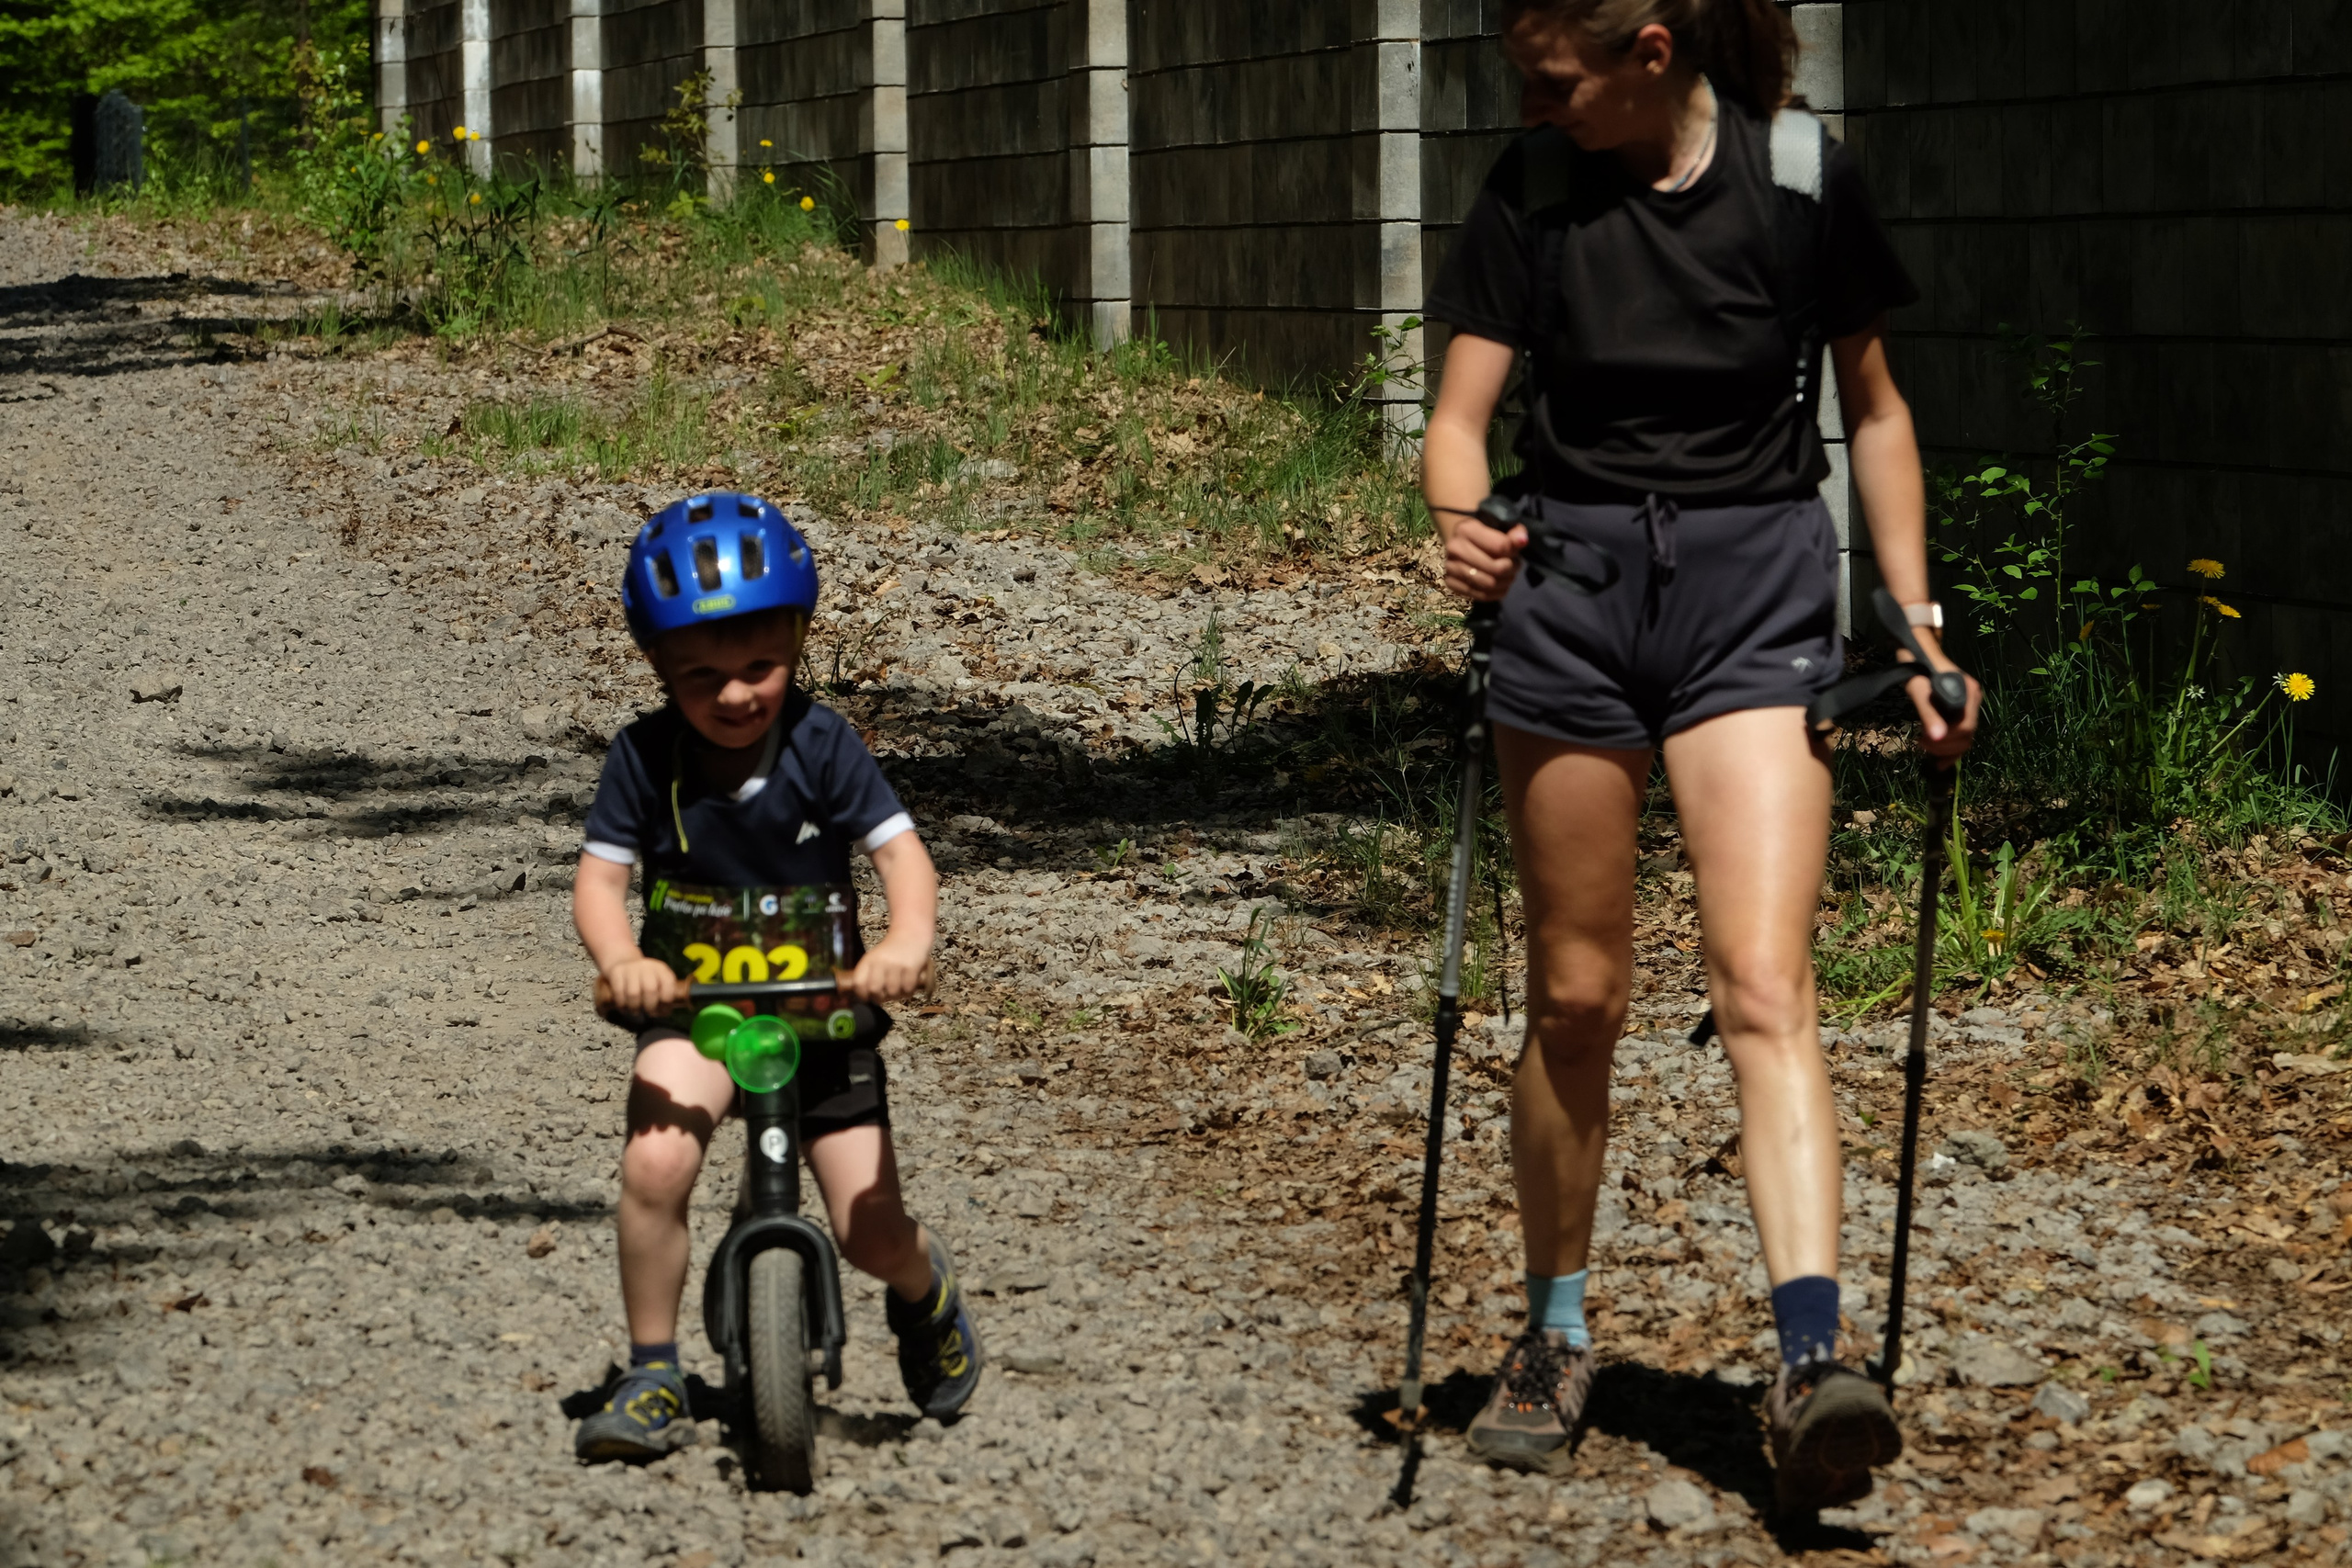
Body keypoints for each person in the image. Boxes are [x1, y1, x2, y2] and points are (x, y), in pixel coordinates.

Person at [1419, 0, 1980, 1514]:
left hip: (1756, 606)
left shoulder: (1800, 177)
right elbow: (1460, 422)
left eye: (1555, 82)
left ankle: (1812, 1359)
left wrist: (1917, 627)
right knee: (1579, 996)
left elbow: (1873, 409)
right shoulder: (1531, 188)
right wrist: (1461, 521)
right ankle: (1553, 1331)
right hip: (1575, 601)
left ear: (1652, 50)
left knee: (1764, 982)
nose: (1534, 108)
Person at [570, 491, 981, 1461]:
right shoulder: (644, 758)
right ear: (657, 666)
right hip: (696, 1011)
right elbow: (600, 880)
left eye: (760, 666)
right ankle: (654, 1368)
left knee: (870, 1230)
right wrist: (622, 961)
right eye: (700, 675)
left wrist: (905, 939)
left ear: (799, 640)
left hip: (825, 1015)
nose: (735, 695)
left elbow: (900, 854)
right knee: (656, 1163)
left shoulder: (821, 744)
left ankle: (925, 1296)